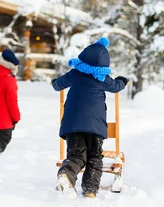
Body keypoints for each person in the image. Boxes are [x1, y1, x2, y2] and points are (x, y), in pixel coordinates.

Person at [51, 37, 128, 198]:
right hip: (95, 127)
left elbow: (58, 84)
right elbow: (116, 87)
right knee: (94, 156)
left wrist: (54, 83)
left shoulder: (74, 73)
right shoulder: (103, 79)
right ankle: (90, 189)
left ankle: (66, 173)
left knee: (77, 154)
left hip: (72, 123)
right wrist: (122, 80)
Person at [0, 49, 21, 154]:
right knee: (1, 146)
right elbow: (12, 102)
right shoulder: (9, 80)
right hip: (6, 122)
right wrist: (16, 118)